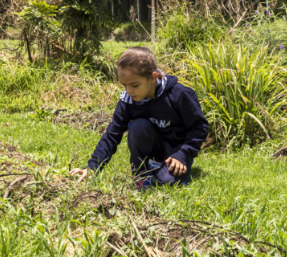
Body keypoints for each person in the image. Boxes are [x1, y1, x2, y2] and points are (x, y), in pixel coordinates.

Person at [69, 47, 209, 189]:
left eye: (135, 85)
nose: (129, 90)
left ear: (153, 77)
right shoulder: (128, 101)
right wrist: (93, 167)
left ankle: (167, 170)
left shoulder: (179, 94)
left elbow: (199, 127)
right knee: (138, 126)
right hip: (155, 149)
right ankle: (142, 174)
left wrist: (183, 154)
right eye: (124, 85)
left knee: (166, 183)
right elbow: (112, 135)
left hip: (177, 152)